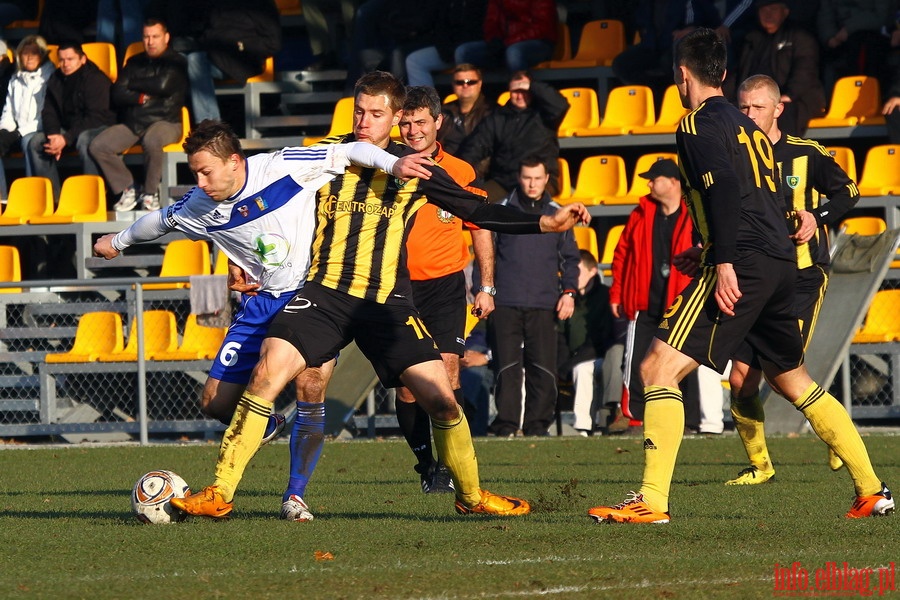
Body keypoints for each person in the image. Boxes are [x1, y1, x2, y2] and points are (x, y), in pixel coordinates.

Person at [170, 71, 590, 521]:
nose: (364, 121)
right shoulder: (326, 155)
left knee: (443, 399)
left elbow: (478, 210)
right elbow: (265, 201)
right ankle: (220, 491)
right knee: (268, 373)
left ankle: (470, 496)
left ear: (395, 117)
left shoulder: (415, 167)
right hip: (324, 293)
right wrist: (250, 258)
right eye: (359, 111)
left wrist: (545, 224)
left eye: (376, 114)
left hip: (386, 302)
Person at [588, 28, 893, 523]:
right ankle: (871, 489)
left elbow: (726, 187)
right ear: (725, 76)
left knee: (656, 370)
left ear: (680, 75)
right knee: (793, 379)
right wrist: (712, 249)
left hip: (744, 263)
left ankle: (652, 501)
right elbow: (760, 199)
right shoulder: (747, 127)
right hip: (778, 266)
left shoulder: (696, 123)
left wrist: (725, 261)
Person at [93, 119, 433, 494]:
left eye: (206, 172)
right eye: (195, 174)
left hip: (311, 297)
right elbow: (158, 222)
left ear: (235, 162)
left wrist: (393, 164)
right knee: (215, 402)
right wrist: (118, 241)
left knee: (310, 386)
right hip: (259, 302)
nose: (201, 183)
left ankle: (295, 495)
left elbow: (350, 150)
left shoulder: (282, 166)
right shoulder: (199, 205)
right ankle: (267, 425)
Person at [725, 74, 861, 484]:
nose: (749, 116)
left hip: (801, 276)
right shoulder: (734, 155)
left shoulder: (806, 153)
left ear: (778, 108)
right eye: (743, 108)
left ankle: (839, 440)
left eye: (757, 108)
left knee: (784, 375)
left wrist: (815, 217)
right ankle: (760, 466)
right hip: (755, 276)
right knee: (739, 379)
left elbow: (849, 191)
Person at [394, 85, 497, 493]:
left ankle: (450, 469)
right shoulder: (386, 166)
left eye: (421, 122)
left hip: (446, 286)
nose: (413, 130)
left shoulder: (461, 171)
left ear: (438, 122)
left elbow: (480, 227)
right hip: (397, 288)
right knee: (407, 386)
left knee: (448, 374)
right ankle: (426, 463)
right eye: (406, 122)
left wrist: (486, 285)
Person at [608, 158, 711, 434]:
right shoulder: (640, 214)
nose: (649, 183)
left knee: (683, 362)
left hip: (680, 303)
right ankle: (635, 418)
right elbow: (622, 256)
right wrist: (617, 293)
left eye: (655, 178)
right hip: (644, 302)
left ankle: (688, 421)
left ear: (675, 183)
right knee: (636, 361)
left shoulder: (695, 214)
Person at [487, 157, 580, 437]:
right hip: (505, 302)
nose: (532, 184)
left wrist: (569, 293)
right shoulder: (502, 210)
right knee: (507, 367)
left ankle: (538, 426)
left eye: (538, 178)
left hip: (544, 302)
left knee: (543, 368)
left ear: (546, 179)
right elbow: (487, 254)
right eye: (527, 177)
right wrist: (486, 290)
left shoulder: (557, 213)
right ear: (519, 176)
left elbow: (571, 258)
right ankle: (506, 425)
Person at [90, 18, 187, 212]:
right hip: (135, 121)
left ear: (166, 38)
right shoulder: (134, 62)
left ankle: (150, 193)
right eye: (146, 37)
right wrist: (142, 95)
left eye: (155, 36)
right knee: (98, 145)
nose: (150, 41)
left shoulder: (177, 61)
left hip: (166, 121)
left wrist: (132, 84)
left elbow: (163, 85)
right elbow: (117, 92)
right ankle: (128, 188)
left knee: (152, 139)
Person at [457, 71, 569, 202]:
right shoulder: (497, 118)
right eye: (516, 91)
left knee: (525, 204)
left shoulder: (544, 115)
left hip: (538, 179)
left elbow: (560, 105)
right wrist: (458, 172)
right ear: (509, 92)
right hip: (504, 181)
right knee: (475, 202)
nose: (520, 96)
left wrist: (532, 85)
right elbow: (474, 147)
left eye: (524, 91)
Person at [27, 42, 114, 199]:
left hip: (99, 128)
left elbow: (96, 118)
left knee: (85, 140)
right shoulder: (56, 79)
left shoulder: (96, 79)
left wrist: (66, 139)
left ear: (82, 59)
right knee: (37, 143)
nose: (65, 64)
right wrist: (54, 136)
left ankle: (92, 197)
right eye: (61, 60)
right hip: (68, 130)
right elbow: (49, 111)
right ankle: (53, 200)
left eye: (70, 59)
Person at [728, 0, 826, 137]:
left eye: (773, 9)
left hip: (796, 99)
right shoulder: (751, 38)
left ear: (785, 12)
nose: (768, 14)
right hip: (754, 98)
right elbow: (738, 74)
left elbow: (806, 71)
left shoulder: (800, 36)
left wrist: (789, 95)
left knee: (781, 113)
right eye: (764, 10)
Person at [610, 0, 721, 105]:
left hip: (677, 47)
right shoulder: (648, 3)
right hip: (652, 46)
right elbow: (642, 21)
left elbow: (700, 19)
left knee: (671, 62)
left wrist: (691, 28)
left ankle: (672, 101)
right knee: (621, 64)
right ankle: (650, 94)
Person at [557, 250, 614, 436]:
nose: (572, 276)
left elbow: (600, 339)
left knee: (582, 369)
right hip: (572, 359)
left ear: (593, 271)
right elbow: (560, 336)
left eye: (578, 270)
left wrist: (568, 365)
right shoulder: (565, 299)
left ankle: (583, 425)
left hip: (599, 356)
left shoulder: (605, 296)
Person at [0, 35, 54, 195]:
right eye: (25, 53)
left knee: (28, 142)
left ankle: (35, 195)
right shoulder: (15, 79)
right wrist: (4, 130)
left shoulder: (50, 78)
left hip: (39, 129)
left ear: (42, 55)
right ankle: (1, 196)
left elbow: (46, 115)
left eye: (34, 53)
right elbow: (8, 111)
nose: (29, 57)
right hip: (18, 130)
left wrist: (18, 133)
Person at [454, 0, 558, 73]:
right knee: (463, 52)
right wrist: (494, 39)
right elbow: (491, 21)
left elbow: (542, 27)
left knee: (514, 52)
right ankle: (474, 98)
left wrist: (507, 42)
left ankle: (521, 95)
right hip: (505, 43)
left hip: (539, 44)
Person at [404, 1, 488, 87]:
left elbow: (477, 30)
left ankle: (469, 99)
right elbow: (436, 25)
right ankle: (425, 100)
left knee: (461, 52)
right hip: (450, 49)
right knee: (414, 60)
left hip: (479, 47)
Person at [437, 64, 493, 155]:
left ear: (480, 83)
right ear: (453, 84)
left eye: (470, 82)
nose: (465, 85)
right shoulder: (443, 112)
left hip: (475, 167)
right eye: (459, 82)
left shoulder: (492, 112)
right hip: (443, 165)